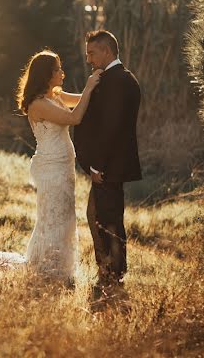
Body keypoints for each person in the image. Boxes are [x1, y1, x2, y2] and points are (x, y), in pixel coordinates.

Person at [0, 50, 101, 288]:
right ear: (46, 75)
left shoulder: (55, 95)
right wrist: (90, 87)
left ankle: (60, 268)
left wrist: (97, 89)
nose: (62, 73)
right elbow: (74, 118)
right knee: (53, 216)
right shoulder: (38, 104)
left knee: (65, 217)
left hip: (64, 167)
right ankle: (46, 268)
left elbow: (80, 101)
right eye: (58, 69)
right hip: (51, 168)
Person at [72, 30, 142, 300]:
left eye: (92, 53)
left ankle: (112, 275)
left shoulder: (117, 81)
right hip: (108, 164)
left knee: (107, 219)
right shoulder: (114, 78)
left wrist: (98, 165)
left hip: (108, 166)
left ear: (106, 52)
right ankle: (109, 271)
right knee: (97, 215)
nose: (88, 58)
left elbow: (111, 128)